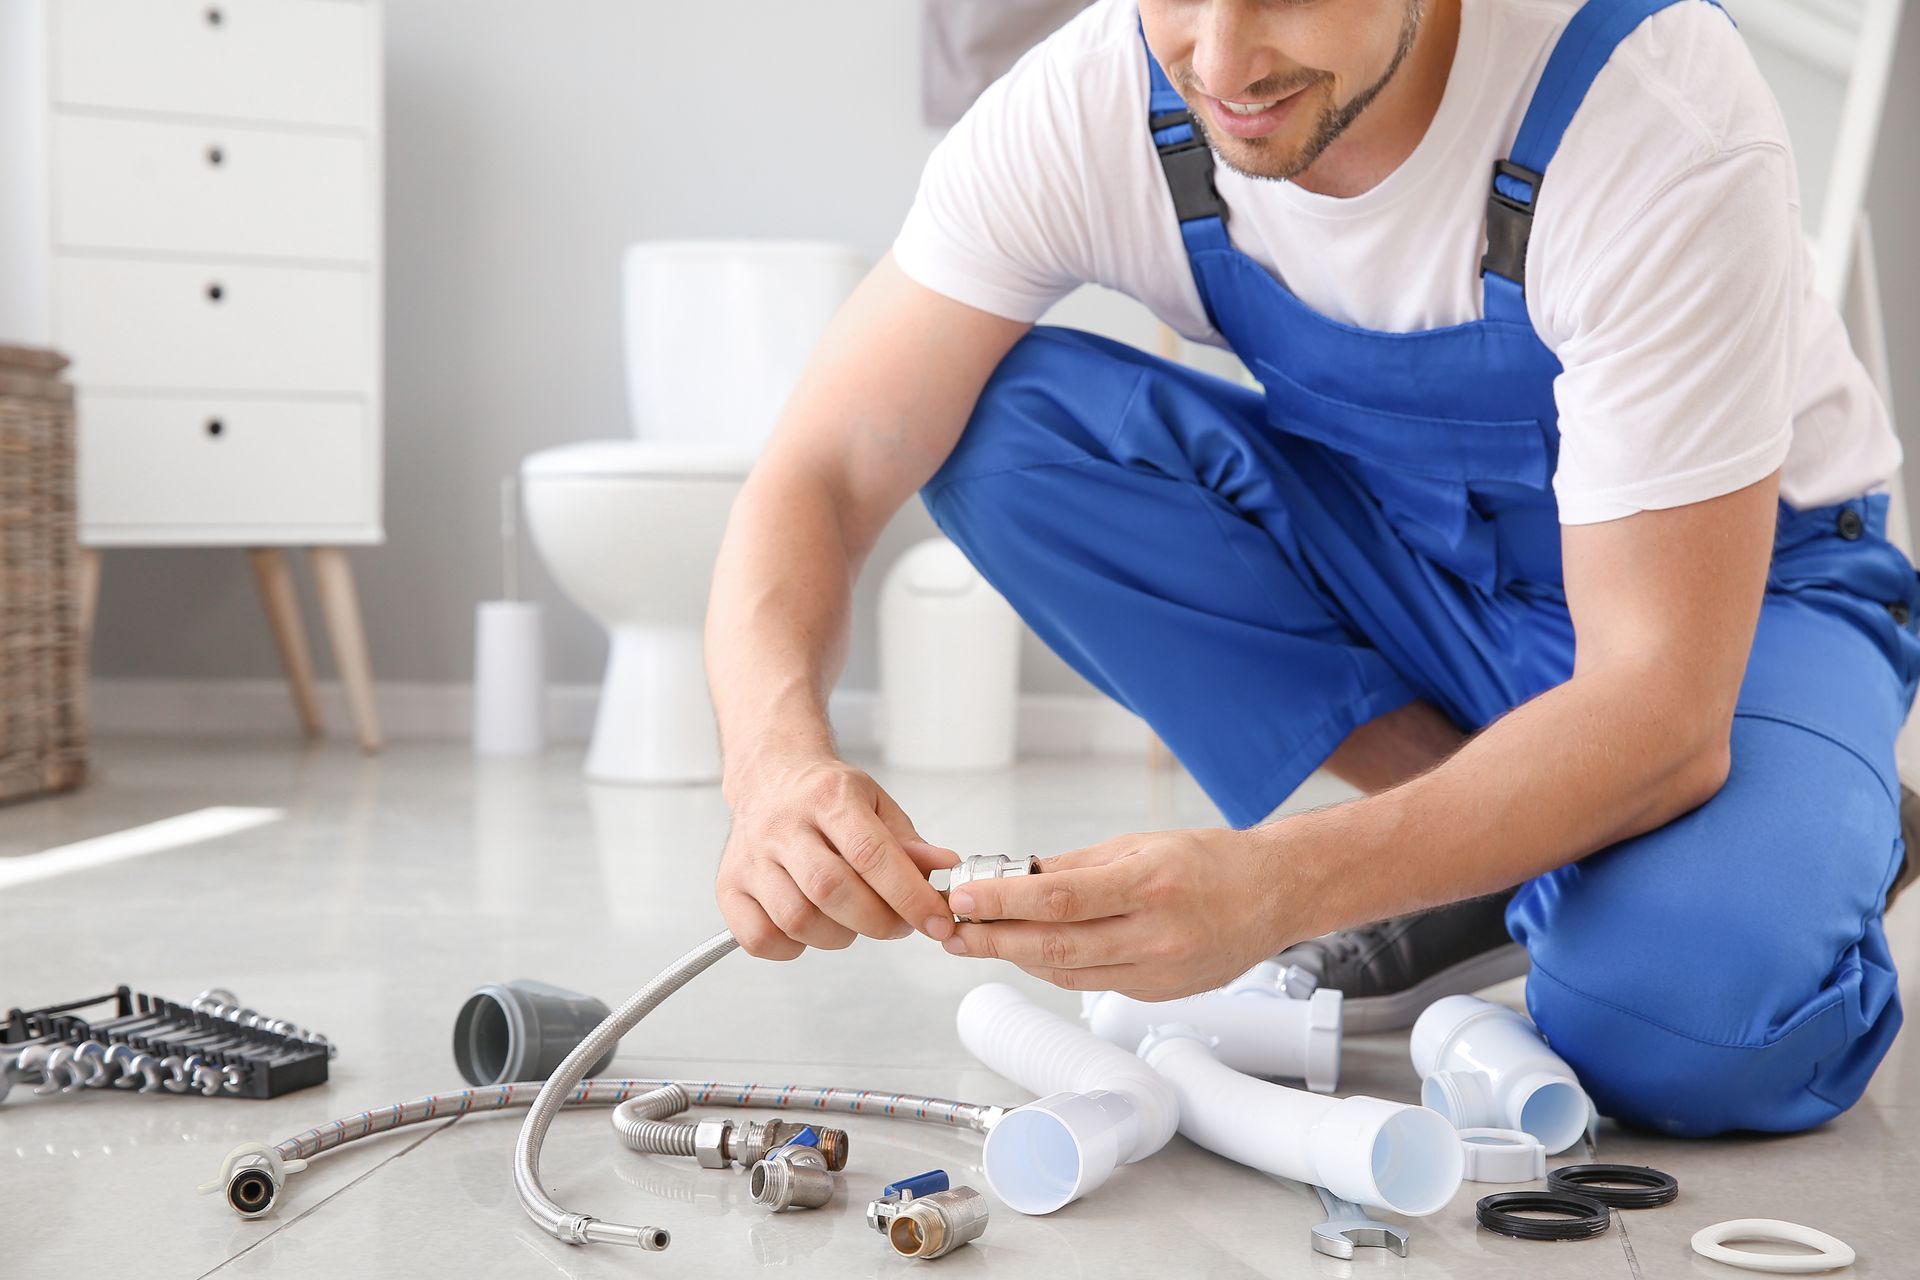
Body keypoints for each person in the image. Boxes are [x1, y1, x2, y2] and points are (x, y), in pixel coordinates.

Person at [705, 0, 1917, 1137]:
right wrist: (774, 764)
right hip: (1421, 557)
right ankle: (1539, 844)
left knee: (1679, 1024)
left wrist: (1275, 885)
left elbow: (1657, 696)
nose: (1223, 65)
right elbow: (817, 467)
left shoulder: (1647, 109)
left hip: (1742, 606)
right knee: (998, 429)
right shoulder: (1092, 101)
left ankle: (1781, 819)